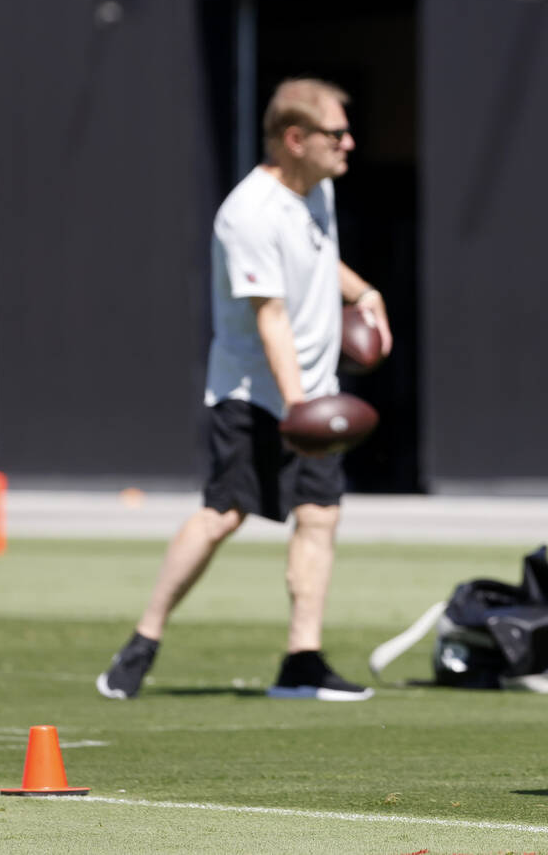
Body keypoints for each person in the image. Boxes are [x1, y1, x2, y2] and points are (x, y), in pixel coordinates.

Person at [97, 78, 392, 701]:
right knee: (222, 515)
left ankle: (302, 661)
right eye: (336, 133)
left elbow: (317, 258)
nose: (349, 143)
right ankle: (143, 640)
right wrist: (301, 408)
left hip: (312, 386)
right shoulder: (248, 214)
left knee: (319, 516)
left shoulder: (320, 191)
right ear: (295, 139)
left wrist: (363, 292)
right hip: (252, 395)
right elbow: (271, 316)